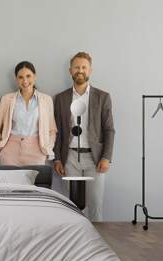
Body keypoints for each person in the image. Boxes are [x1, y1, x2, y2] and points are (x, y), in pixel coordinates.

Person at [53, 52, 115, 221]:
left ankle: (97, 245)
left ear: (90, 70)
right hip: (70, 158)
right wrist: (57, 158)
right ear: (70, 70)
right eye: (76, 67)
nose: (80, 70)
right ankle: (76, 243)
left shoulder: (103, 97)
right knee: (72, 206)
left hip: (95, 159)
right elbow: (56, 131)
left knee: (95, 204)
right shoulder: (60, 98)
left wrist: (106, 157)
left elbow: (109, 129)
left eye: (83, 67)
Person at [0, 61, 57, 165]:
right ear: (16, 79)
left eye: (28, 76)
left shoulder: (46, 100)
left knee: (35, 181)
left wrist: (48, 147)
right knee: (9, 181)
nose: (25, 81)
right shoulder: (7, 99)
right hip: (10, 151)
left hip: (37, 151)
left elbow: (52, 130)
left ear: (34, 76)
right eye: (20, 77)